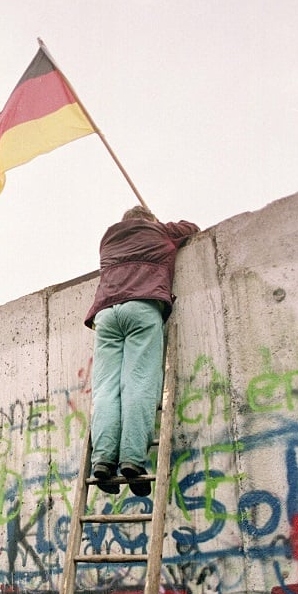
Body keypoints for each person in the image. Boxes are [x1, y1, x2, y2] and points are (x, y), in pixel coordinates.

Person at [84, 206, 199, 496]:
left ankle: (102, 461)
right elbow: (191, 228)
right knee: (138, 384)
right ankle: (132, 460)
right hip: (142, 306)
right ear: (149, 220)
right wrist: (159, 224)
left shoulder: (107, 239)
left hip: (107, 313)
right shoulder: (160, 232)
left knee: (106, 389)